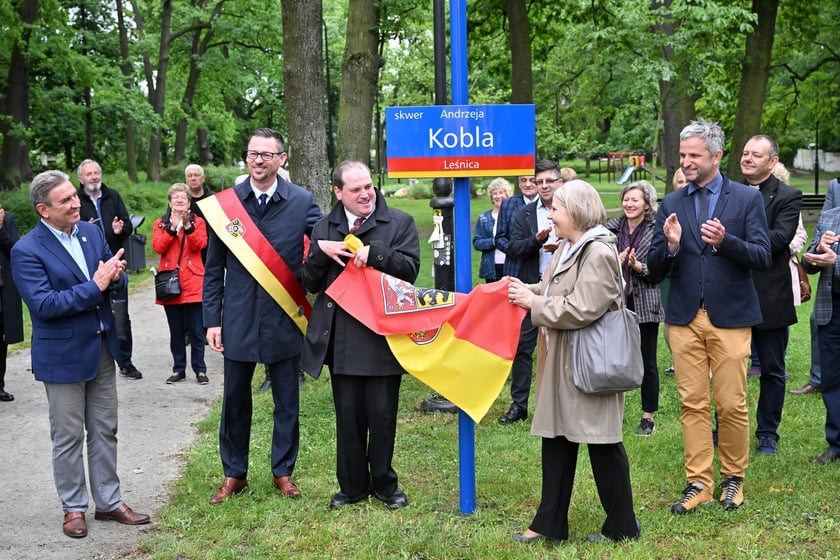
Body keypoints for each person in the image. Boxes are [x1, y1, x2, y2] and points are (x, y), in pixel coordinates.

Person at [11, 170, 150, 539]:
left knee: (106, 429)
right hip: (62, 357)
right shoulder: (26, 250)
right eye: (66, 201)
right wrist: (98, 284)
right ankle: (73, 507)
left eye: (75, 196)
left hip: (102, 347)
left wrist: (116, 273)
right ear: (43, 209)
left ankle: (109, 502)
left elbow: (108, 269)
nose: (77, 203)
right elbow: (45, 305)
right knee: (68, 436)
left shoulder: (90, 232)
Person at [648, 119, 770, 513]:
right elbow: (653, 268)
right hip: (683, 317)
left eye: (693, 155)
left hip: (730, 316)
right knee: (692, 403)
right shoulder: (672, 203)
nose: (685, 162)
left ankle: (734, 479)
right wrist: (669, 246)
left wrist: (726, 241)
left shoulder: (746, 200)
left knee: (731, 403)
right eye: (682, 155)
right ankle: (698, 482)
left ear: (716, 156)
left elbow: (762, 256)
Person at [507, 180, 640, 544]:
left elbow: (582, 308)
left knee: (602, 444)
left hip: (590, 363)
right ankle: (549, 525)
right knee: (557, 440)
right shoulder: (568, 246)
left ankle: (622, 527)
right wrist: (523, 289)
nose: (550, 213)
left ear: (577, 212)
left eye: (557, 208)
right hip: (563, 360)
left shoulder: (597, 252)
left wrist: (532, 303)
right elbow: (552, 290)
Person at [202, 127, 322, 505]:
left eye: (267, 155)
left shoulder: (302, 201)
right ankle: (234, 474)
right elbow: (212, 270)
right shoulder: (225, 206)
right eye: (253, 153)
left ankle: (283, 472)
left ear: (281, 159)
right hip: (237, 319)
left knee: (287, 401)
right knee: (235, 401)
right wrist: (212, 320)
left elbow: (324, 239)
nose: (258, 160)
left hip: (284, 318)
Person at [301, 160, 420, 510]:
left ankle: (385, 485)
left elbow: (410, 272)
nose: (366, 194)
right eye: (356, 189)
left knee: (382, 417)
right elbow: (309, 282)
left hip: (383, 337)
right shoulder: (324, 226)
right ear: (338, 192)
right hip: (342, 339)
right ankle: (352, 487)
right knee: (348, 417)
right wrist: (321, 253)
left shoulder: (399, 222)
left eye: (368, 186)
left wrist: (378, 254)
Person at [739, 135, 802, 456]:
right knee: (729, 369)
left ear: (772, 161)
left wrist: (733, 241)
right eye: (746, 153)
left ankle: (767, 434)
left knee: (773, 369)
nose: (747, 158)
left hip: (770, 295)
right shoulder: (726, 191)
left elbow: (779, 240)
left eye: (756, 154)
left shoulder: (789, 196)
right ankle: (726, 428)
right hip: (732, 293)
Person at [493, 161, 554, 424]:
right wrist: (536, 241)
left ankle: (558, 405)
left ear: (558, 182)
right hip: (531, 285)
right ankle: (519, 405)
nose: (541, 186)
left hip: (564, 288)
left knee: (562, 349)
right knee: (522, 348)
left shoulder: (571, 209)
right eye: (538, 182)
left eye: (546, 181)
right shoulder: (523, 214)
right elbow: (514, 247)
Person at [605, 180, 664, 436]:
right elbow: (597, 257)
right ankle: (612, 411)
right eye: (626, 199)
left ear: (647, 203)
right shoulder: (612, 228)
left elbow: (661, 268)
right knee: (614, 359)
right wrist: (614, 261)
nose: (629, 204)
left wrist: (639, 267)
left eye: (635, 200)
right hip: (615, 301)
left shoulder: (655, 229)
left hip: (645, 302)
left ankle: (648, 416)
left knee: (646, 360)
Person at [76, 159, 142, 380]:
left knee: (121, 316)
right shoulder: (76, 201)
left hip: (116, 266)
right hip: (89, 271)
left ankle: (126, 362)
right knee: (90, 317)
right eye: (89, 174)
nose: (94, 177)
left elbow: (128, 225)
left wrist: (120, 229)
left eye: (96, 173)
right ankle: (94, 363)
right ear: (81, 179)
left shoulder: (112, 195)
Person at [152, 183, 208, 385]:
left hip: (193, 281)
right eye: (175, 198)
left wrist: (187, 227)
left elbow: (200, 245)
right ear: (169, 202)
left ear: (189, 202)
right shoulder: (160, 223)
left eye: (183, 197)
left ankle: (200, 370)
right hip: (171, 284)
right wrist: (173, 229)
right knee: (176, 331)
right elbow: (158, 247)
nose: (179, 200)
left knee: (196, 330)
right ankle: (178, 369)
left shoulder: (198, 222)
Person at [792, 177, 840, 396]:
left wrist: (836, 261)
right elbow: (811, 258)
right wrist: (821, 248)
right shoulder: (835, 186)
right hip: (831, 298)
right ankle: (819, 379)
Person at [801, 205, 840, 465]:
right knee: (832, 381)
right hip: (831, 311)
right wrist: (816, 252)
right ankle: (836, 444)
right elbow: (808, 262)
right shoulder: (830, 215)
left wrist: (835, 262)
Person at [0, 207, 23, 402]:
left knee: (2, 337)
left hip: (3, 288)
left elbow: (15, 251)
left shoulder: (7, 219)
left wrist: (1, 230)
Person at [473, 177, 513, 283]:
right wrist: (494, 242)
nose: (498, 196)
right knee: (493, 298)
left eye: (501, 192)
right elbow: (477, 243)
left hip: (511, 265)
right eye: (495, 193)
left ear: (507, 194)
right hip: (491, 268)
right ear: (491, 197)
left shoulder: (515, 215)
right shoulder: (484, 218)